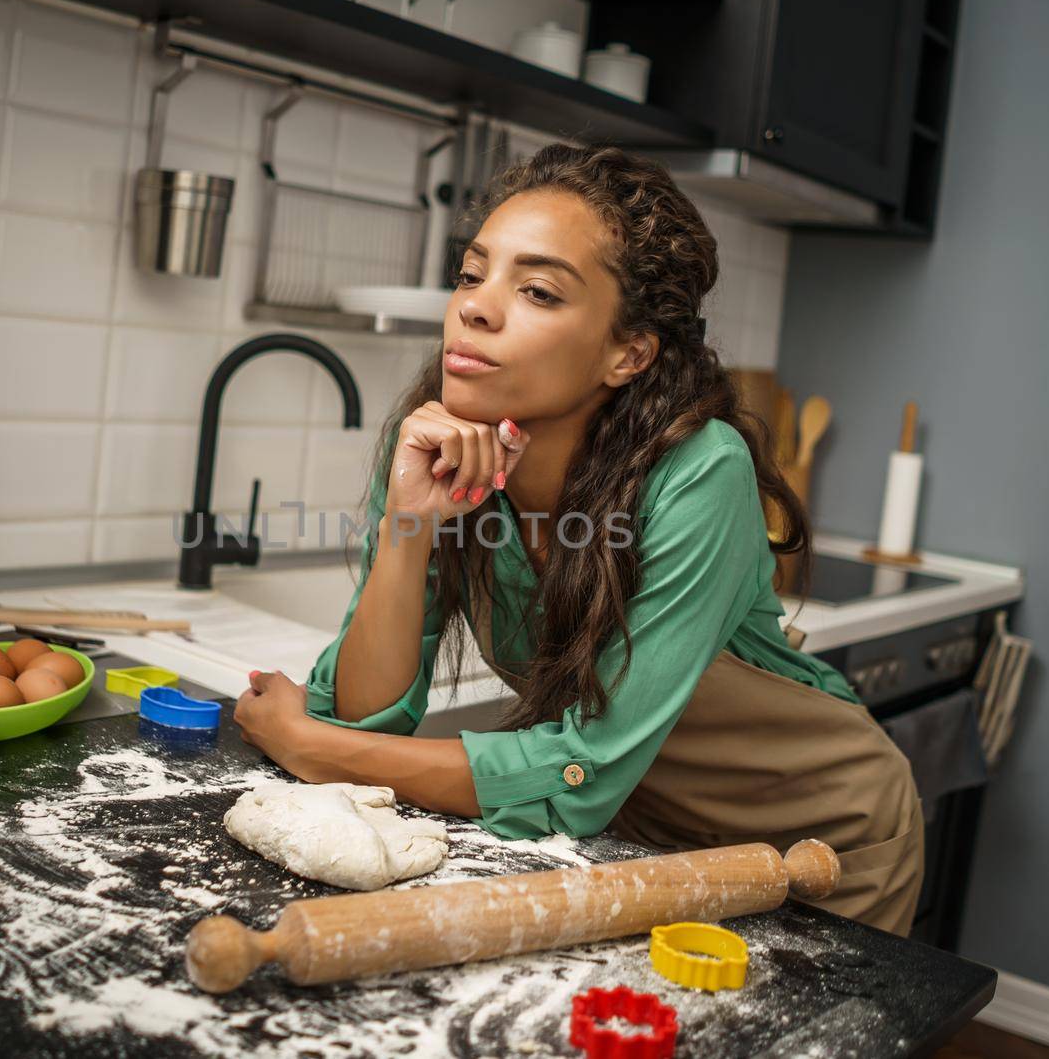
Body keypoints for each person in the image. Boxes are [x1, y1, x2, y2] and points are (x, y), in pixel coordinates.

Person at [232, 143, 923, 936]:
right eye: (471, 273)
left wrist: (309, 745)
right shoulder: (439, 443)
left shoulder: (698, 471)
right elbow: (364, 722)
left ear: (627, 352)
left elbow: (580, 770)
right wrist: (408, 528)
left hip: (818, 844)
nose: (476, 307)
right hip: (633, 843)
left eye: (536, 290)